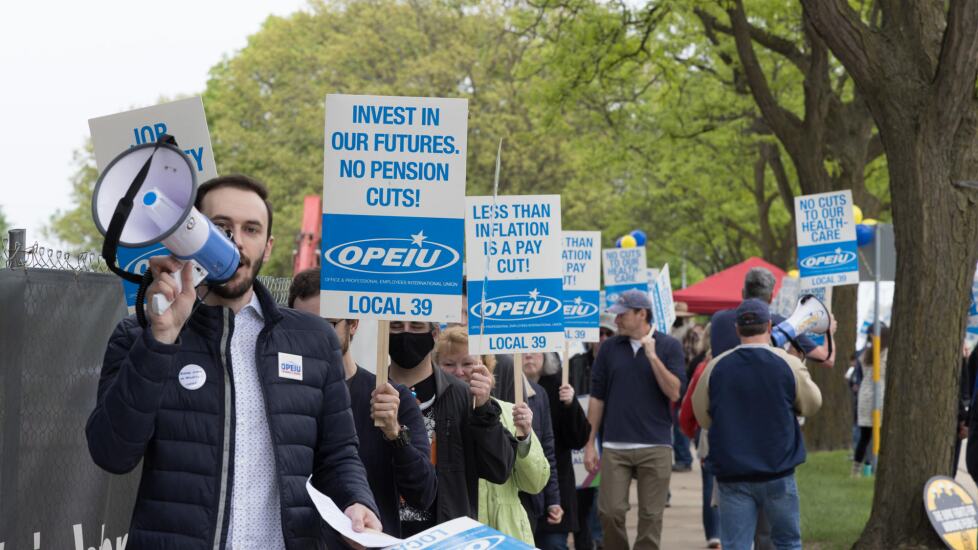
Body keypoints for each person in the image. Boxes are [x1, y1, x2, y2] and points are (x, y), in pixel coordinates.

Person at [86, 175, 379, 549]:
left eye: (251, 229)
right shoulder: (140, 336)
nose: (236, 241)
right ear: (193, 237)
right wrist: (160, 339)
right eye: (221, 227)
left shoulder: (314, 340)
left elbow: (339, 454)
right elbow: (111, 452)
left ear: (268, 246)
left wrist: (357, 500)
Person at [288, 269, 437, 536]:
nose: (312, 337)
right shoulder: (281, 397)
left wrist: (395, 434)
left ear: (353, 323)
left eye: (327, 325)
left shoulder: (392, 398)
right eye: (302, 325)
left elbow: (423, 494)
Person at [709, 267, 834, 549]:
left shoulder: (718, 323)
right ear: (769, 325)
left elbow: (703, 410)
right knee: (783, 540)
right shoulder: (783, 336)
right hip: (775, 461)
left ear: (737, 327)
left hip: (731, 459)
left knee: (736, 542)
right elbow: (825, 363)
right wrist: (828, 334)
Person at [385, 319, 517, 536]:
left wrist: (484, 411)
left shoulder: (463, 396)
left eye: (416, 327)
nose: (406, 334)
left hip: (447, 536)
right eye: (396, 327)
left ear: (434, 333)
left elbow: (499, 469)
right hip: (383, 533)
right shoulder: (369, 391)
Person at [583, 289, 686, 550]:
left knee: (651, 517)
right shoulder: (608, 349)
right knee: (609, 512)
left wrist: (652, 357)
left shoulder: (669, 346)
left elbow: (674, 392)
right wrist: (590, 441)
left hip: (656, 445)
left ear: (642, 314)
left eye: (622, 315)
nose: (616, 321)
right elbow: (597, 398)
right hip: (615, 447)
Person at [434, 326, 549, 545]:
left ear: (486, 368)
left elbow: (534, 483)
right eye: (449, 364)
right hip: (455, 537)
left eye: (468, 363)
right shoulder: (433, 414)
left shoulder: (509, 412)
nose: (459, 372)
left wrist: (525, 439)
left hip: (506, 537)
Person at [529, 351, 592, 550]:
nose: (529, 356)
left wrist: (570, 404)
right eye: (524, 352)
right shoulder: (505, 385)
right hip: (520, 490)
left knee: (553, 544)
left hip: (555, 486)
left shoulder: (559, 386)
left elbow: (578, 439)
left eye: (535, 351)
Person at [711, 267, 836, 367]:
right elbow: (827, 359)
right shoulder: (781, 323)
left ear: (743, 293)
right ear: (771, 297)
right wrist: (828, 331)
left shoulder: (717, 319)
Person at [570, 313, 616, 550]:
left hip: (611, 437)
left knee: (604, 497)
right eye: (599, 333)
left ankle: (598, 541)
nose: (603, 338)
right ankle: (585, 542)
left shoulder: (619, 362)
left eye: (609, 333)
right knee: (583, 497)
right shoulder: (576, 363)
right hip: (583, 436)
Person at [678, 323, 720, 549]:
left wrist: (690, 430)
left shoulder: (702, 365)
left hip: (708, 433)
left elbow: (689, 403)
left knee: (710, 484)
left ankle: (714, 534)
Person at [513, 353, 561, 536]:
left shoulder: (538, 393)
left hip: (529, 496)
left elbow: (547, 450)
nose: (528, 355)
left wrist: (553, 500)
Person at [853, 324, 889, 477]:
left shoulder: (866, 354)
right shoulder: (886, 353)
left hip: (865, 395)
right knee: (879, 435)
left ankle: (857, 470)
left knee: (865, 436)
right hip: (878, 395)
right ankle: (875, 468)